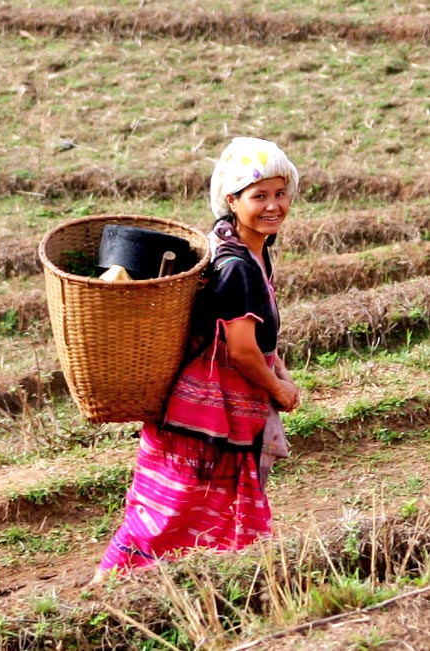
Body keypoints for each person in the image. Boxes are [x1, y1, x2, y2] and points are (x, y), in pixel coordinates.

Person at [91, 136, 300, 583]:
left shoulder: (247, 250)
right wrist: (278, 387)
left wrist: (277, 366)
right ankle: (107, 589)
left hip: (206, 410)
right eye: (258, 196)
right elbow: (242, 350)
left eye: (280, 193)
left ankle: (212, 589)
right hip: (206, 413)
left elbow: (258, 339)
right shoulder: (236, 265)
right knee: (170, 508)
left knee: (179, 505)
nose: (273, 206)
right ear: (232, 199)